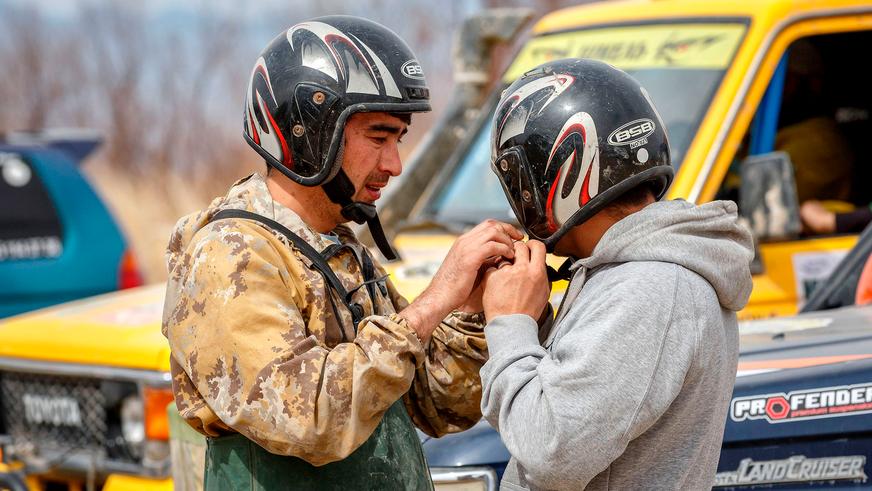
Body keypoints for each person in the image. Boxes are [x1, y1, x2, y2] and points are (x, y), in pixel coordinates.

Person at [162, 16, 522, 490]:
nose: (394, 164)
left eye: (398, 140)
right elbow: (308, 420)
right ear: (309, 132)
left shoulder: (335, 247)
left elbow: (435, 403)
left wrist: (473, 308)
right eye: (378, 137)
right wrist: (433, 302)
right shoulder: (230, 255)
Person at [478, 59, 755, 490]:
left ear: (557, 173)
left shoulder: (650, 289)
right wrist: (532, 319)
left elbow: (552, 449)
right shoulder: (635, 274)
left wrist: (509, 325)